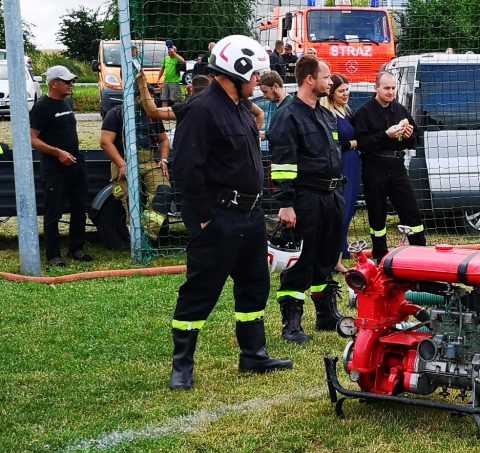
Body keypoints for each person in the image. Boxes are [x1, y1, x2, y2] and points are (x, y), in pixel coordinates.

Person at [168, 34, 292, 391]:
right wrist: (203, 218)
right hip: (219, 217)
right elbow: (185, 169)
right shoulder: (201, 110)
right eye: (255, 75)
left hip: (250, 217)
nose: (259, 82)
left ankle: (253, 354)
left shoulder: (240, 107)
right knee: (201, 289)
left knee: (254, 285)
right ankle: (182, 365)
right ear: (235, 71)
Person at [266, 56, 347, 344]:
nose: (331, 82)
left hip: (331, 196)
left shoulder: (325, 115)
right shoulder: (288, 116)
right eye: (326, 77)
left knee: (326, 257)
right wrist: (286, 203)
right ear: (309, 79)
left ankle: (326, 314)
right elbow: (282, 165)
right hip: (305, 198)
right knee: (300, 261)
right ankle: (292, 324)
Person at [352, 71, 425, 263]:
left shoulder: (400, 110)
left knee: (410, 209)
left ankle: (420, 253)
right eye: (386, 88)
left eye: (393, 88)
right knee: (377, 213)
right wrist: (385, 135)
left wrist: (409, 135)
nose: (391, 92)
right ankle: (380, 256)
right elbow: (361, 143)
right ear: (376, 88)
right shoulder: (364, 113)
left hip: (397, 166)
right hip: (374, 167)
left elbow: (415, 138)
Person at [29, 66, 92, 266]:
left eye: (71, 81)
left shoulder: (67, 102)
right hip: (54, 167)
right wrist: (58, 153)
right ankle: (53, 255)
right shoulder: (41, 107)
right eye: (67, 82)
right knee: (53, 210)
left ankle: (76, 248)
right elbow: (32, 139)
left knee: (80, 206)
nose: (71, 84)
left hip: (75, 163)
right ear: (54, 83)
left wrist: (72, 156)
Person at [99, 97, 172, 241]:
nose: (151, 100)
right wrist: (121, 164)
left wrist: (163, 159)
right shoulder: (116, 114)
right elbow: (105, 142)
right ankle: (132, 234)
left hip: (149, 162)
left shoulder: (152, 114)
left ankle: (147, 235)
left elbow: (164, 140)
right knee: (126, 198)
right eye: (148, 96)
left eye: (151, 97)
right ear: (136, 97)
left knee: (163, 191)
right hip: (123, 162)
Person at [323, 74, 362, 267]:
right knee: (342, 212)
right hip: (341, 165)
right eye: (341, 91)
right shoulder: (328, 114)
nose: (346, 94)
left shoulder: (345, 110)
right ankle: (334, 259)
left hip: (353, 165)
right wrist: (352, 143)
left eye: (347, 89)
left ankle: (341, 250)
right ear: (331, 93)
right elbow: (332, 144)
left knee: (349, 209)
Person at [156, 40, 186, 107]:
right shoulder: (166, 58)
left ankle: (176, 112)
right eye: (168, 51)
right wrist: (158, 79)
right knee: (164, 99)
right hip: (166, 82)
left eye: (170, 51)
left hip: (174, 82)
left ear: (174, 51)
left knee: (176, 100)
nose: (169, 52)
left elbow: (183, 61)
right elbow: (162, 69)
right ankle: (164, 112)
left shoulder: (176, 59)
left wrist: (174, 53)